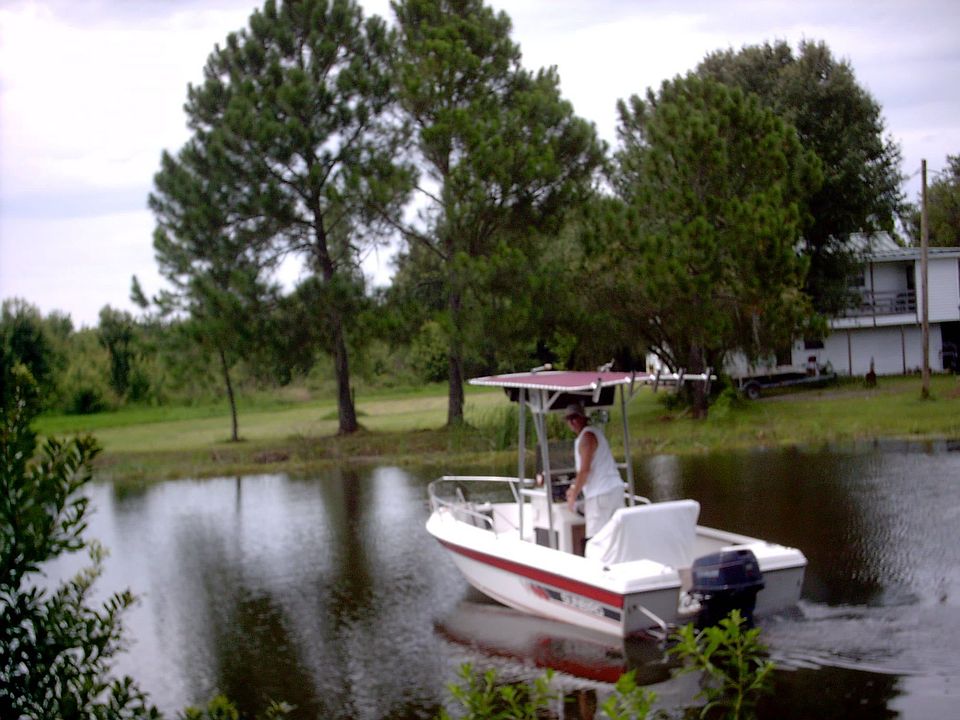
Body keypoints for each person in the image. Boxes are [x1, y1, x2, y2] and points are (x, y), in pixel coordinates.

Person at [563, 402, 624, 545]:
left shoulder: (586, 437)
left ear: (583, 417)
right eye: (568, 419)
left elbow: (584, 471)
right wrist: (574, 487)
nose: (572, 422)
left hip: (600, 495)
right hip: (614, 489)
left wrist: (573, 496)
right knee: (616, 534)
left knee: (596, 539)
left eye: (575, 417)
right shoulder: (594, 433)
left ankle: (598, 566)